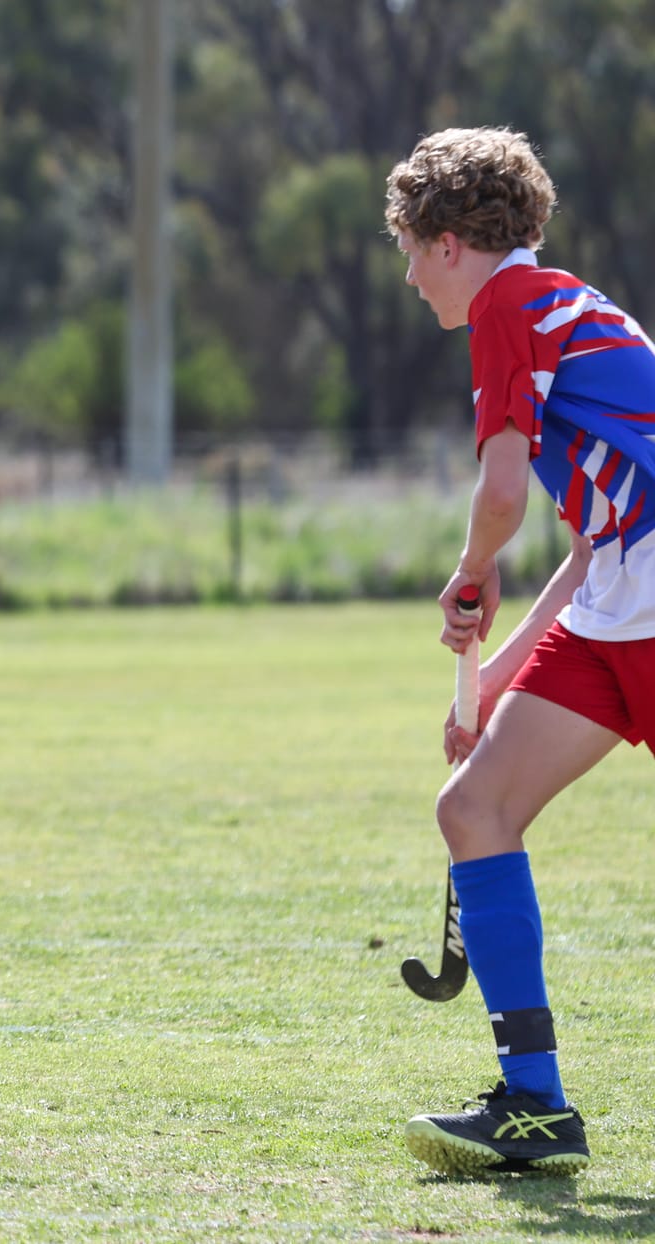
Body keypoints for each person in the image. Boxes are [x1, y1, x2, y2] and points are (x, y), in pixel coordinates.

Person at [382, 126, 655, 1175]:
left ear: (449, 239)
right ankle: (533, 1107)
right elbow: (595, 533)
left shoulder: (502, 305)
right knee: (472, 805)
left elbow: (499, 495)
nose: (407, 275)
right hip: (620, 593)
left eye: (407, 247)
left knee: (474, 807)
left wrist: (467, 569)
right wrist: (495, 674)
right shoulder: (556, 302)